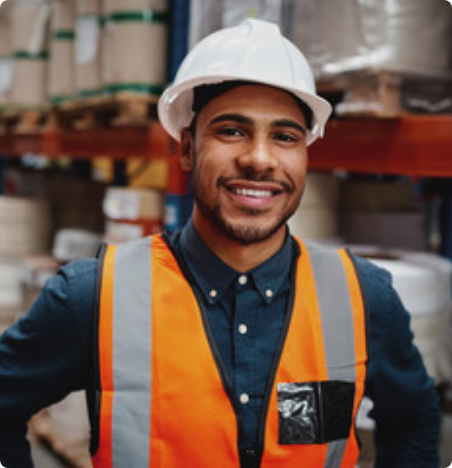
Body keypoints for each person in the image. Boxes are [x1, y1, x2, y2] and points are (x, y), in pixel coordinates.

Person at [0, 18, 441, 468]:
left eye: (285, 137)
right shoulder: (94, 296)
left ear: (306, 155)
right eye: (232, 131)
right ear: (188, 149)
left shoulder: (362, 298)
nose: (259, 158)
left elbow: (414, 424)